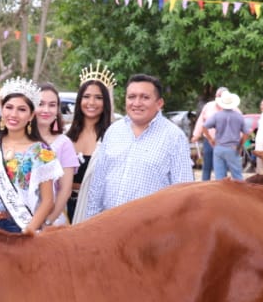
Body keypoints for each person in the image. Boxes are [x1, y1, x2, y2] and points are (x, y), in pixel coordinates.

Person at [80, 74, 194, 219]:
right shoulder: (114, 131)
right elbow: (98, 184)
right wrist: (91, 223)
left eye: (145, 97)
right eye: (131, 97)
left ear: (159, 103)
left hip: (149, 230)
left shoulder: (174, 137)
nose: (137, 103)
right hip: (108, 225)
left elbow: (183, 192)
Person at [0, 78, 62, 233]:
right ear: (1, 111)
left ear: (31, 116)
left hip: (19, 225)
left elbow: (48, 201)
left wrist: (28, 232)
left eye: (22, 109)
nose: (13, 114)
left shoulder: (41, 152)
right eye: (9, 107)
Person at [65, 63, 114, 221]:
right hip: (64, 208)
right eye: (86, 96)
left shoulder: (112, 138)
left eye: (98, 97)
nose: (91, 102)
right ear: (79, 100)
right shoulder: (65, 136)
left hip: (97, 210)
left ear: (105, 102)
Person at [35, 84, 79, 225]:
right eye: (40, 104)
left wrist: (47, 222)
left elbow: (65, 190)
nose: (46, 110)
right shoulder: (18, 140)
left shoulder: (63, 143)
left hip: (49, 221)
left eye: (52, 105)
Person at [205, 91, 247, 181]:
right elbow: (247, 133)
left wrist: (210, 139)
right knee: (237, 176)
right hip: (233, 148)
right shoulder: (239, 116)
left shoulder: (217, 115)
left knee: (220, 177)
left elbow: (204, 127)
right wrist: (240, 145)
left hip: (219, 147)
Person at [190, 91, 223, 182]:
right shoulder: (209, 106)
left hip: (224, 141)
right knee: (207, 164)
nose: (219, 97)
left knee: (221, 166)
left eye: (221, 95)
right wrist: (196, 135)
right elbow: (201, 121)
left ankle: (222, 187)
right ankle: (205, 184)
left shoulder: (231, 108)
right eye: (218, 95)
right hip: (209, 140)